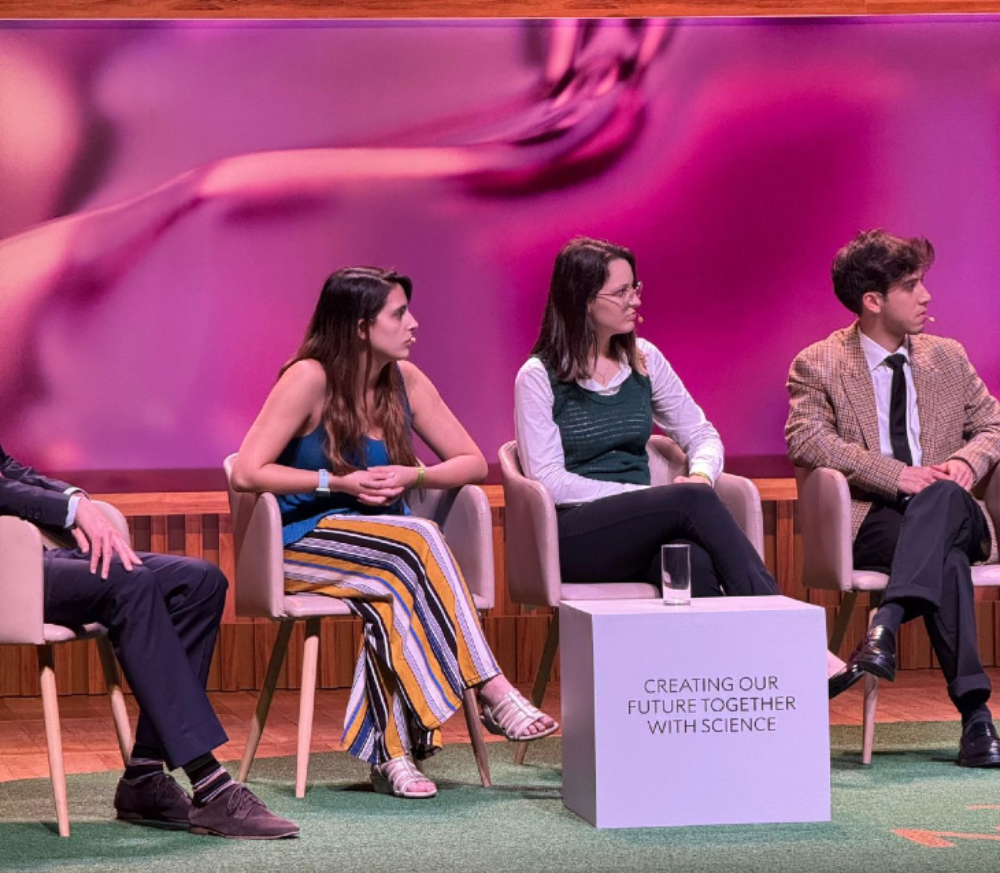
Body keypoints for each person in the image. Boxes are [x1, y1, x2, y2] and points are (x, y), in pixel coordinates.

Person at [232, 266, 558, 800]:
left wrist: (415, 474)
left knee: (393, 592)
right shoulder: (309, 377)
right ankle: (491, 687)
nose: (413, 324)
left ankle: (393, 756)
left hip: (386, 554)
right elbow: (247, 471)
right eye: (398, 313)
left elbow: (473, 462)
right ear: (361, 326)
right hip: (303, 544)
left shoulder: (404, 381)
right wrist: (336, 481)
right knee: (420, 539)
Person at [0, 446, 299, 837]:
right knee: (130, 582)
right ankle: (209, 783)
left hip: (30, 555)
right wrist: (70, 511)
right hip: (10, 564)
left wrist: (73, 498)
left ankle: (145, 775)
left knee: (199, 582)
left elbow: (7, 469)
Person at [786, 229, 1000, 768]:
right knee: (944, 558)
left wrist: (965, 463)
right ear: (873, 301)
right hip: (877, 517)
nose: (926, 296)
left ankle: (886, 622)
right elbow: (806, 437)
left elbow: (994, 423)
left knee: (946, 497)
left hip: (955, 512)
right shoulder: (819, 362)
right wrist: (896, 474)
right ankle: (976, 718)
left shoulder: (946, 357)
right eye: (911, 285)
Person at [515, 237, 793, 600]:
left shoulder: (644, 359)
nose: (636, 300)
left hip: (646, 529)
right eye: (621, 292)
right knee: (690, 500)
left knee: (692, 560)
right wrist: (651, 498)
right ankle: (775, 622)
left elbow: (702, 434)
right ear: (582, 302)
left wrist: (700, 475)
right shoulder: (537, 376)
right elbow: (549, 481)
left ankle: (731, 655)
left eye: (635, 287)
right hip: (573, 535)